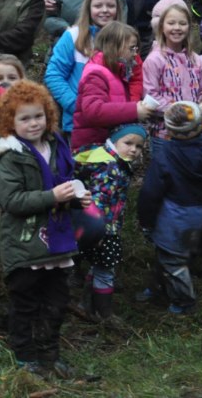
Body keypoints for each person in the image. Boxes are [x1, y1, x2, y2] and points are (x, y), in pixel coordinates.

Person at [0, 81, 88, 380]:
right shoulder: (9, 156)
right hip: (25, 242)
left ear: (48, 115)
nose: (33, 123)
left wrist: (78, 199)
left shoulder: (56, 144)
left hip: (57, 241)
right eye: (24, 118)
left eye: (38, 116)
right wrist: (53, 196)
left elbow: (65, 181)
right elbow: (12, 201)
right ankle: (25, 358)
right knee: (25, 303)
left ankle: (50, 353)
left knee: (56, 302)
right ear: (10, 122)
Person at [136, 98, 202, 310]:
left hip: (173, 215)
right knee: (178, 252)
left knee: (172, 259)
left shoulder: (165, 155)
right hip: (198, 212)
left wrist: (145, 219)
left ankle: (184, 301)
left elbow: (150, 191)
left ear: (169, 129)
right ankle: (159, 286)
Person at [74, 123, 147, 325]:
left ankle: (86, 304)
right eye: (128, 143)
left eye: (139, 146)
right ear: (114, 141)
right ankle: (105, 313)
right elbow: (98, 201)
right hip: (103, 228)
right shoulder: (111, 168)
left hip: (101, 226)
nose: (133, 149)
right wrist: (98, 231)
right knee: (106, 269)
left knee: (98, 265)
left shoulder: (108, 159)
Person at [44, 0, 123, 128]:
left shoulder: (125, 38)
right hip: (79, 123)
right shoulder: (73, 36)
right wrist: (76, 105)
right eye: (98, 6)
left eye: (110, 6)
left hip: (116, 123)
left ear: (118, 9)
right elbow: (54, 75)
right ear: (88, 8)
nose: (104, 10)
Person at [71, 21, 149, 153]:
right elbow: (93, 111)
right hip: (91, 150)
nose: (135, 54)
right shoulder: (96, 73)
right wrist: (134, 110)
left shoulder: (118, 73)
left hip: (105, 146)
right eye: (132, 48)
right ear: (114, 47)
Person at [142, 0, 202, 127]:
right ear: (162, 27)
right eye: (171, 23)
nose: (177, 27)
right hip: (164, 132)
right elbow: (151, 95)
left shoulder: (196, 59)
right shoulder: (154, 60)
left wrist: (200, 107)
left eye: (182, 23)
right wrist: (179, 113)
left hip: (193, 128)